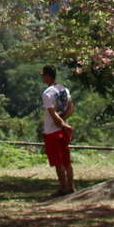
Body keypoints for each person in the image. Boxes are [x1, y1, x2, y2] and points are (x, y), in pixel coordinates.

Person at [40, 64, 75, 195]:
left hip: (52, 131)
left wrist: (61, 124)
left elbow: (52, 114)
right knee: (67, 160)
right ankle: (71, 186)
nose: (43, 78)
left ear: (47, 76)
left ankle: (63, 188)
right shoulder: (64, 90)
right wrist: (64, 122)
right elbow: (71, 108)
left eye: (43, 75)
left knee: (57, 161)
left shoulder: (47, 93)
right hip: (63, 131)